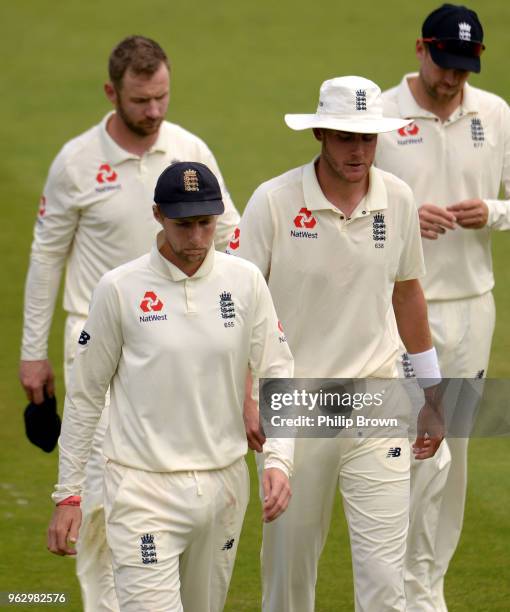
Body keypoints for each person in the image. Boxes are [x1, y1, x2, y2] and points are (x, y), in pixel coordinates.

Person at [19, 36, 239, 611]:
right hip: (95, 343)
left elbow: (231, 237)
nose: (155, 111)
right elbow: (47, 258)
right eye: (142, 101)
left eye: (162, 96)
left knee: (168, 481)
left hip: (175, 346)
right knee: (100, 498)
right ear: (112, 92)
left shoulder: (190, 150)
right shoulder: (75, 162)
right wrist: (31, 352)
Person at [232, 76, 443, 612]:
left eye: (369, 138)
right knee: (289, 579)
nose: (359, 151)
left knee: (384, 583)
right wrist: (246, 394)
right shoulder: (273, 203)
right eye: (347, 137)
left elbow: (408, 294)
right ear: (320, 133)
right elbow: (235, 309)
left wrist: (433, 394)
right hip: (295, 408)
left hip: (377, 401)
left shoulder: (397, 198)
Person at [47, 161, 294, 612]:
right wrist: (69, 494)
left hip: (224, 486)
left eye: (206, 223)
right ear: (158, 215)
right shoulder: (119, 289)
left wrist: (279, 459)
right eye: (184, 225)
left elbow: (277, 369)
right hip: (143, 490)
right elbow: (85, 397)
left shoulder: (245, 282)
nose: (197, 239)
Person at [374, 4, 510, 610]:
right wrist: (405, 218)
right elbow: (350, 202)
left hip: (472, 309)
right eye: (443, 65)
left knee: (451, 455)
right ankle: (394, 591)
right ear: (419, 50)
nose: (452, 81)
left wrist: (495, 211)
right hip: (400, 311)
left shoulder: (497, 114)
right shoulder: (378, 112)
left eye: (464, 68)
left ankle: (428, 590)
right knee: (405, 448)